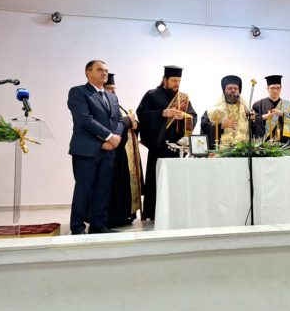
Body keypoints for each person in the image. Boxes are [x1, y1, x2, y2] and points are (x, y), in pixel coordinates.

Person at [67, 60, 124, 234]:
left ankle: (98, 225)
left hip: (108, 150)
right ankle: (77, 227)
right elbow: (84, 119)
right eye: (99, 70)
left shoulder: (112, 96)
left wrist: (115, 138)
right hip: (86, 150)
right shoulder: (78, 92)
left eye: (106, 70)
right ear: (88, 72)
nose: (104, 73)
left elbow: (119, 120)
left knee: (102, 190)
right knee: (83, 190)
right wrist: (109, 136)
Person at [136, 66, 197, 221]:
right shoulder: (151, 95)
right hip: (159, 146)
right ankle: (154, 212)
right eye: (174, 80)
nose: (177, 84)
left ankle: (176, 211)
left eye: (179, 81)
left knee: (177, 181)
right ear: (165, 80)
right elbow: (142, 114)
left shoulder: (183, 98)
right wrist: (161, 113)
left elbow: (193, 116)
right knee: (157, 179)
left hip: (178, 148)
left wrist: (184, 116)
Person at [104, 73, 143, 228]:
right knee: (113, 187)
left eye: (114, 89)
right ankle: (112, 218)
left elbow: (127, 122)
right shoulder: (102, 106)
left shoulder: (117, 106)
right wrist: (128, 120)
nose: (113, 92)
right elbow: (113, 124)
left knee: (124, 185)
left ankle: (126, 215)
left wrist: (135, 124)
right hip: (112, 153)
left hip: (125, 155)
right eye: (109, 89)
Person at [201, 75, 251, 149]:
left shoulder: (247, 109)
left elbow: (256, 129)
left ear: (239, 91)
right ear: (224, 90)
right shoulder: (213, 110)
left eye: (236, 88)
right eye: (229, 88)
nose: (233, 90)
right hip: (221, 151)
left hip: (243, 151)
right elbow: (204, 127)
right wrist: (220, 125)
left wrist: (254, 120)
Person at [252, 75, 290, 148]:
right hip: (263, 145)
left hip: (282, 145)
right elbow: (251, 123)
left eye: (278, 88)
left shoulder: (286, 105)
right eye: (272, 88)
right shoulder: (258, 105)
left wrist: (283, 115)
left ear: (281, 88)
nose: (275, 91)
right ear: (267, 88)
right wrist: (263, 117)